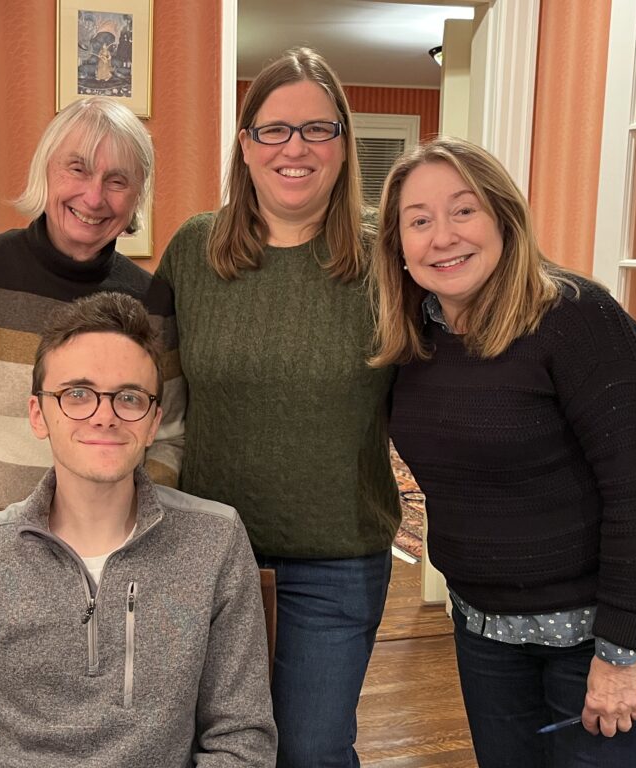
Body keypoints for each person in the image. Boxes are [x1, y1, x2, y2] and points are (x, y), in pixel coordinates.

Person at [370, 136, 636, 768]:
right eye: (419, 220)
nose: (443, 237)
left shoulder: (575, 318)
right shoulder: (412, 341)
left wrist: (620, 655)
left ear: (503, 219)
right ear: (398, 245)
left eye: (465, 210)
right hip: (487, 628)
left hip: (606, 626)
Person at [0, 292, 277, 767]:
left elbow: (241, 740)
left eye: (129, 397)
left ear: (154, 421)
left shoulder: (216, 541)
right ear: (39, 415)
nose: (104, 414)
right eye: (77, 393)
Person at [155, 47, 401, 767]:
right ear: (245, 144)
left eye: (318, 129)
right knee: (208, 749)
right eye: (274, 129)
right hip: (205, 554)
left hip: (338, 560)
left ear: (344, 143)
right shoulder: (195, 250)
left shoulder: (387, 258)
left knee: (312, 753)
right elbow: (143, 387)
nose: (296, 147)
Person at [0, 96, 184, 565]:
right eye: (78, 170)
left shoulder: (153, 303)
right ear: (45, 170)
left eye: (117, 180)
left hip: (112, 563)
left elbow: (167, 434)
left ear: (137, 196)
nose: (94, 197)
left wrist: (139, 531)